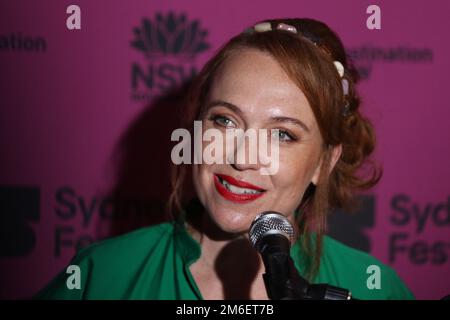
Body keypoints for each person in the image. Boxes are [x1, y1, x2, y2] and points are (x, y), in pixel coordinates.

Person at [36, 18, 414, 300]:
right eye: (225, 120)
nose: (243, 157)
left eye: (283, 134)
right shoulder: (100, 276)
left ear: (323, 163)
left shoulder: (373, 287)